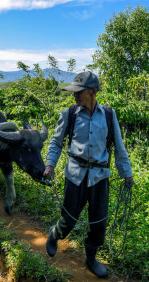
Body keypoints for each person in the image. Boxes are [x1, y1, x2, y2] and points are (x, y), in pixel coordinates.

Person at [43, 71, 134, 278]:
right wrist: (50, 165)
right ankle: (55, 233)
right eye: (73, 91)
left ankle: (91, 259)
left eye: (79, 91)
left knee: (98, 222)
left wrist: (126, 174)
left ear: (93, 91)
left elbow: (119, 147)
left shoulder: (109, 115)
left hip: (100, 176)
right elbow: (57, 142)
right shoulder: (69, 114)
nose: (74, 95)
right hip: (75, 174)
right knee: (69, 219)